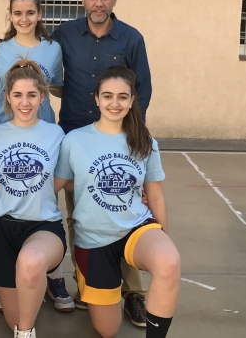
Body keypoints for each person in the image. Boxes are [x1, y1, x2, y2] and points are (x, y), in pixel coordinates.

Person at [0, 0, 151, 323]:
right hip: (74, 129)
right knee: (75, 213)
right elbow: (30, 62)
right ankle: (86, 285)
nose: (98, 3)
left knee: (120, 204)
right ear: (83, 0)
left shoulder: (131, 38)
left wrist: (134, 143)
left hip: (116, 136)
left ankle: (132, 291)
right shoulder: (65, 36)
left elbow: (142, 91)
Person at [54, 65, 179, 338]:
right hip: (93, 239)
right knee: (107, 330)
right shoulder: (75, 140)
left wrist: (162, 237)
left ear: (132, 100)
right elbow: (59, 183)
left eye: (122, 97)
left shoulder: (144, 141)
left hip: (135, 227)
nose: (115, 103)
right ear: (96, 99)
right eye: (108, 96)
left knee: (169, 262)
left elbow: (155, 195)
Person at [0, 60, 69, 338]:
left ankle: (25, 334)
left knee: (30, 262)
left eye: (31, 95)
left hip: (43, 225)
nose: (25, 102)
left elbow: (67, 179)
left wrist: (133, 191)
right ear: (7, 97)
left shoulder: (56, 134)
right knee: (15, 319)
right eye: (17, 95)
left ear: (42, 97)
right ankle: (24, 326)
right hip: (3, 229)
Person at [0, 0, 63, 129]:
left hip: (42, 129)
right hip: (2, 128)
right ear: (10, 16)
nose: (24, 19)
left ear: (39, 14)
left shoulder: (53, 49)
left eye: (30, 13)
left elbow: (56, 88)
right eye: (18, 13)